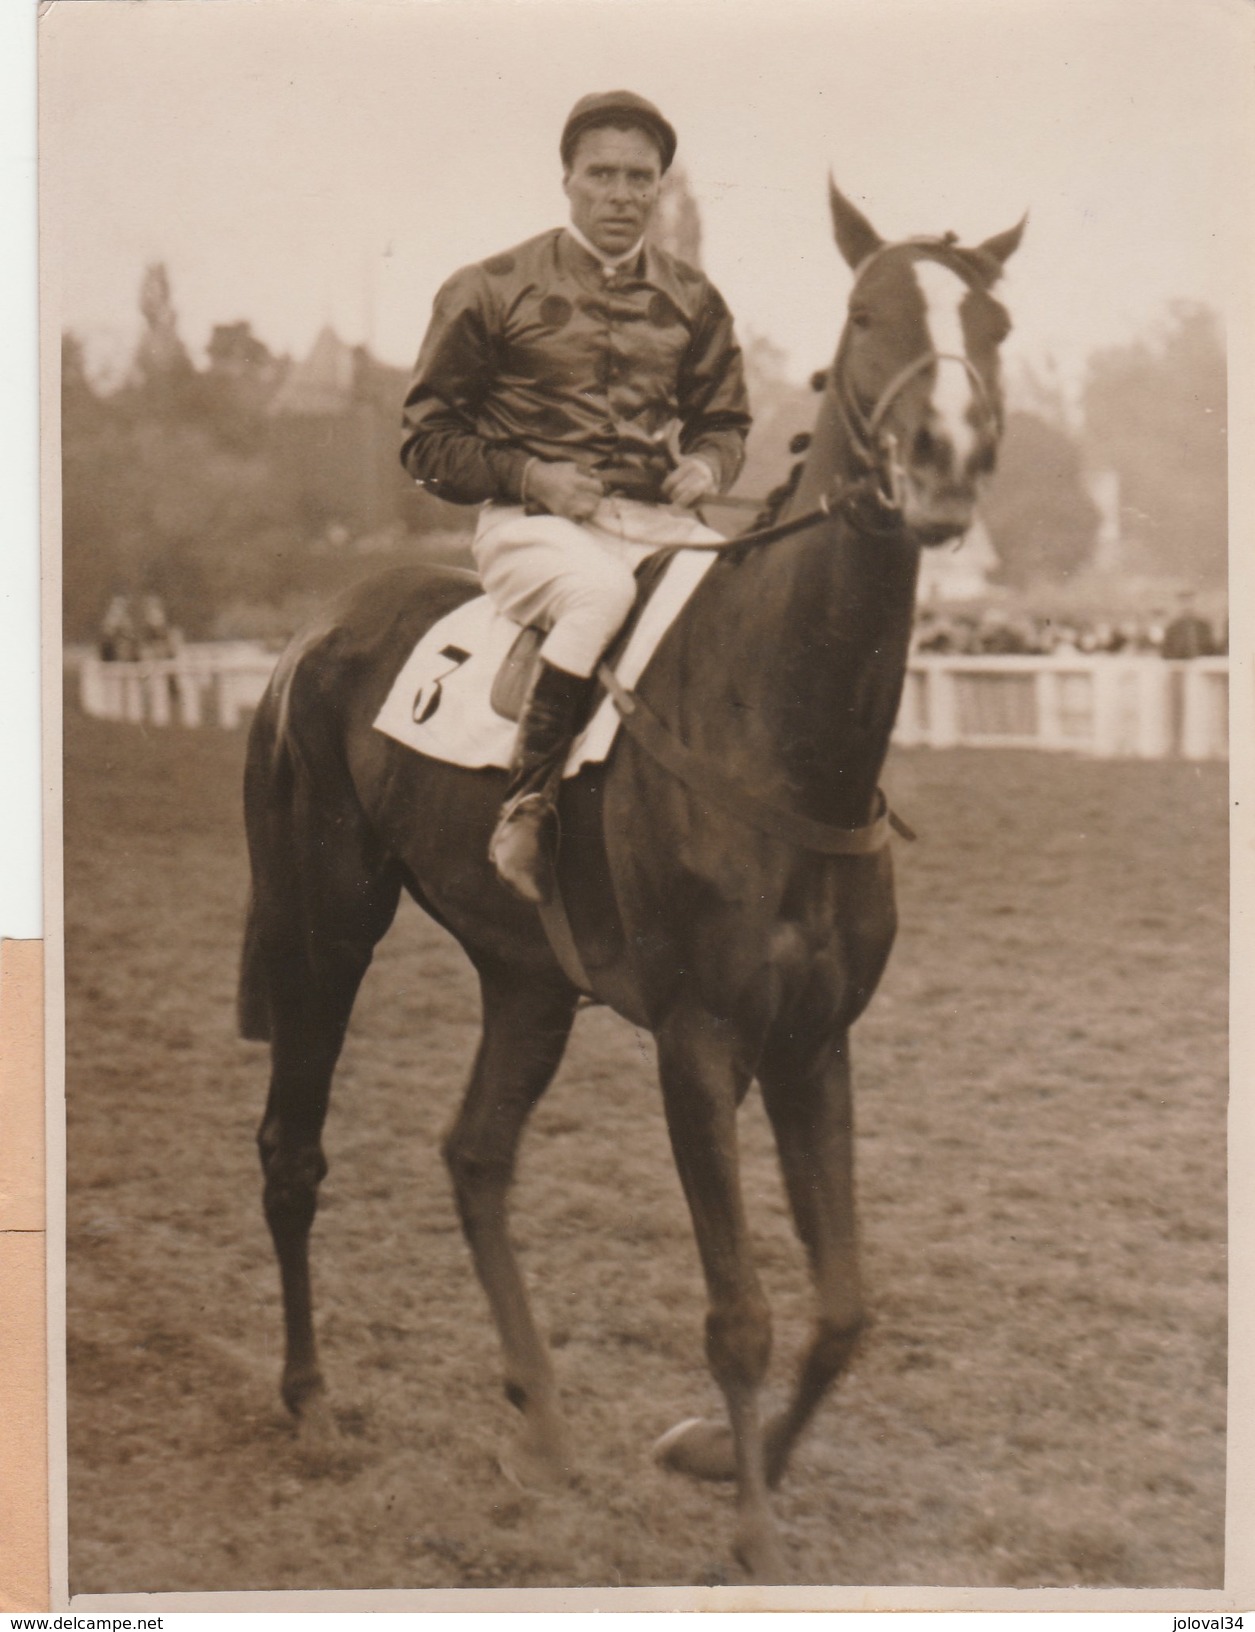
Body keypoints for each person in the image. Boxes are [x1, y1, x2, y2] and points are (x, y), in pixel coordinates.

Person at [400, 91, 751, 902]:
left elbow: (724, 422)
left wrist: (707, 465)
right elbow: (425, 445)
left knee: (746, 605)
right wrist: (532, 476)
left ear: (660, 188)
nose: (622, 195)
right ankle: (526, 802)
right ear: (567, 179)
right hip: (530, 528)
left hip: (657, 521)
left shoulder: (694, 300)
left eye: (640, 178)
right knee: (599, 593)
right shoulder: (488, 288)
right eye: (603, 175)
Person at [1161, 591, 1213, 660]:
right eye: (1183, 603)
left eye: (1189, 602)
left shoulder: (1203, 626)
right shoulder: (1172, 627)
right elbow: (1166, 651)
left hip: (1202, 663)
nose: (1187, 606)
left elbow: (1211, 648)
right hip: (1180, 664)